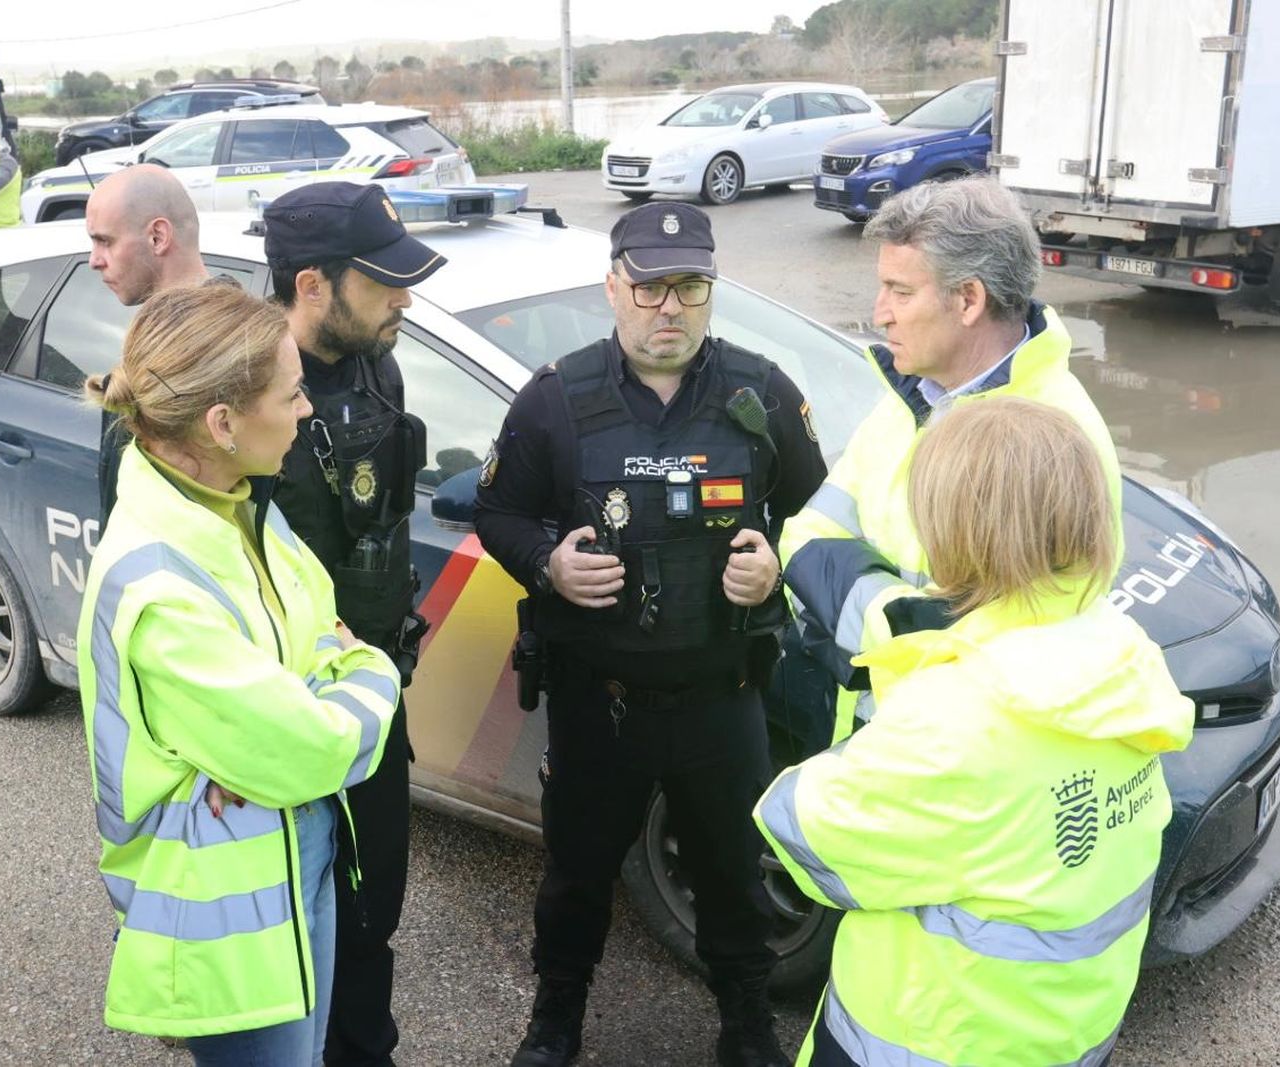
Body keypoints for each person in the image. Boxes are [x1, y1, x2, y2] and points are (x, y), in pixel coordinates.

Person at [474, 202, 827, 1067]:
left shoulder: (763, 393)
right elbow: (498, 511)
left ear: (712, 291)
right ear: (614, 288)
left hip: (724, 701)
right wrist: (547, 563)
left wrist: (773, 562)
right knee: (576, 876)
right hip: (602, 705)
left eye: (690, 287)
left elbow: (822, 515)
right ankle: (556, 1018)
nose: (669, 307)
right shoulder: (555, 398)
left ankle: (745, 1024)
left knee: (735, 874)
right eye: (649, 286)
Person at [756, 397, 1194, 1067]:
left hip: (929, 1042)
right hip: (1069, 1033)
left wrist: (904, 693)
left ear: (955, 530)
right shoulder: (1121, 650)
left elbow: (804, 830)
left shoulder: (954, 715)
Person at [77, 284, 401, 1065]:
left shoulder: (239, 504)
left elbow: (318, 620)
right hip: (227, 914)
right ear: (222, 424)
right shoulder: (161, 587)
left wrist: (308, 687)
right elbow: (311, 743)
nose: (306, 411)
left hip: (293, 848)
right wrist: (375, 670)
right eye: (290, 395)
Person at [779, 175, 1123, 745]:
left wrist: (852, 608)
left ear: (968, 300)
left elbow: (990, 661)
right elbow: (805, 535)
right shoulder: (915, 396)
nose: (879, 313)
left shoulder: (1049, 441)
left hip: (959, 762)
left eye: (901, 292)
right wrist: (895, 619)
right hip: (879, 732)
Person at [262, 181, 439, 1067]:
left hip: (371, 702)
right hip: (277, 728)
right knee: (288, 937)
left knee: (374, 917)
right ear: (312, 286)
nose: (404, 298)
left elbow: (387, 523)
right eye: (383, 281)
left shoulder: (379, 364)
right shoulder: (235, 397)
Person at [85, 164, 213, 524]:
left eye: (104, 241)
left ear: (158, 237)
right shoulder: (160, 336)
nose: (94, 260)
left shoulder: (225, 347)